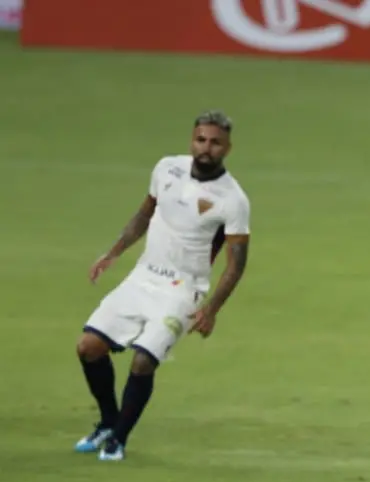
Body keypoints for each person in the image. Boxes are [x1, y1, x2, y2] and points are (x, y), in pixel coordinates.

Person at [74, 110, 251, 461]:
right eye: (201, 139)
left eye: (216, 142)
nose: (206, 148)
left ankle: (118, 440)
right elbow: (144, 214)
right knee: (88, 347)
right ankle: (108, 422)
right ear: (192, 140)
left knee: (143, 362)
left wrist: (211, 309)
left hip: (184, 291)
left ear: (228, 148)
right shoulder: (166, 168)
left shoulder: (233, 200)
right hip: (142, 277)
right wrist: (113, 253)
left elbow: (237, 263)